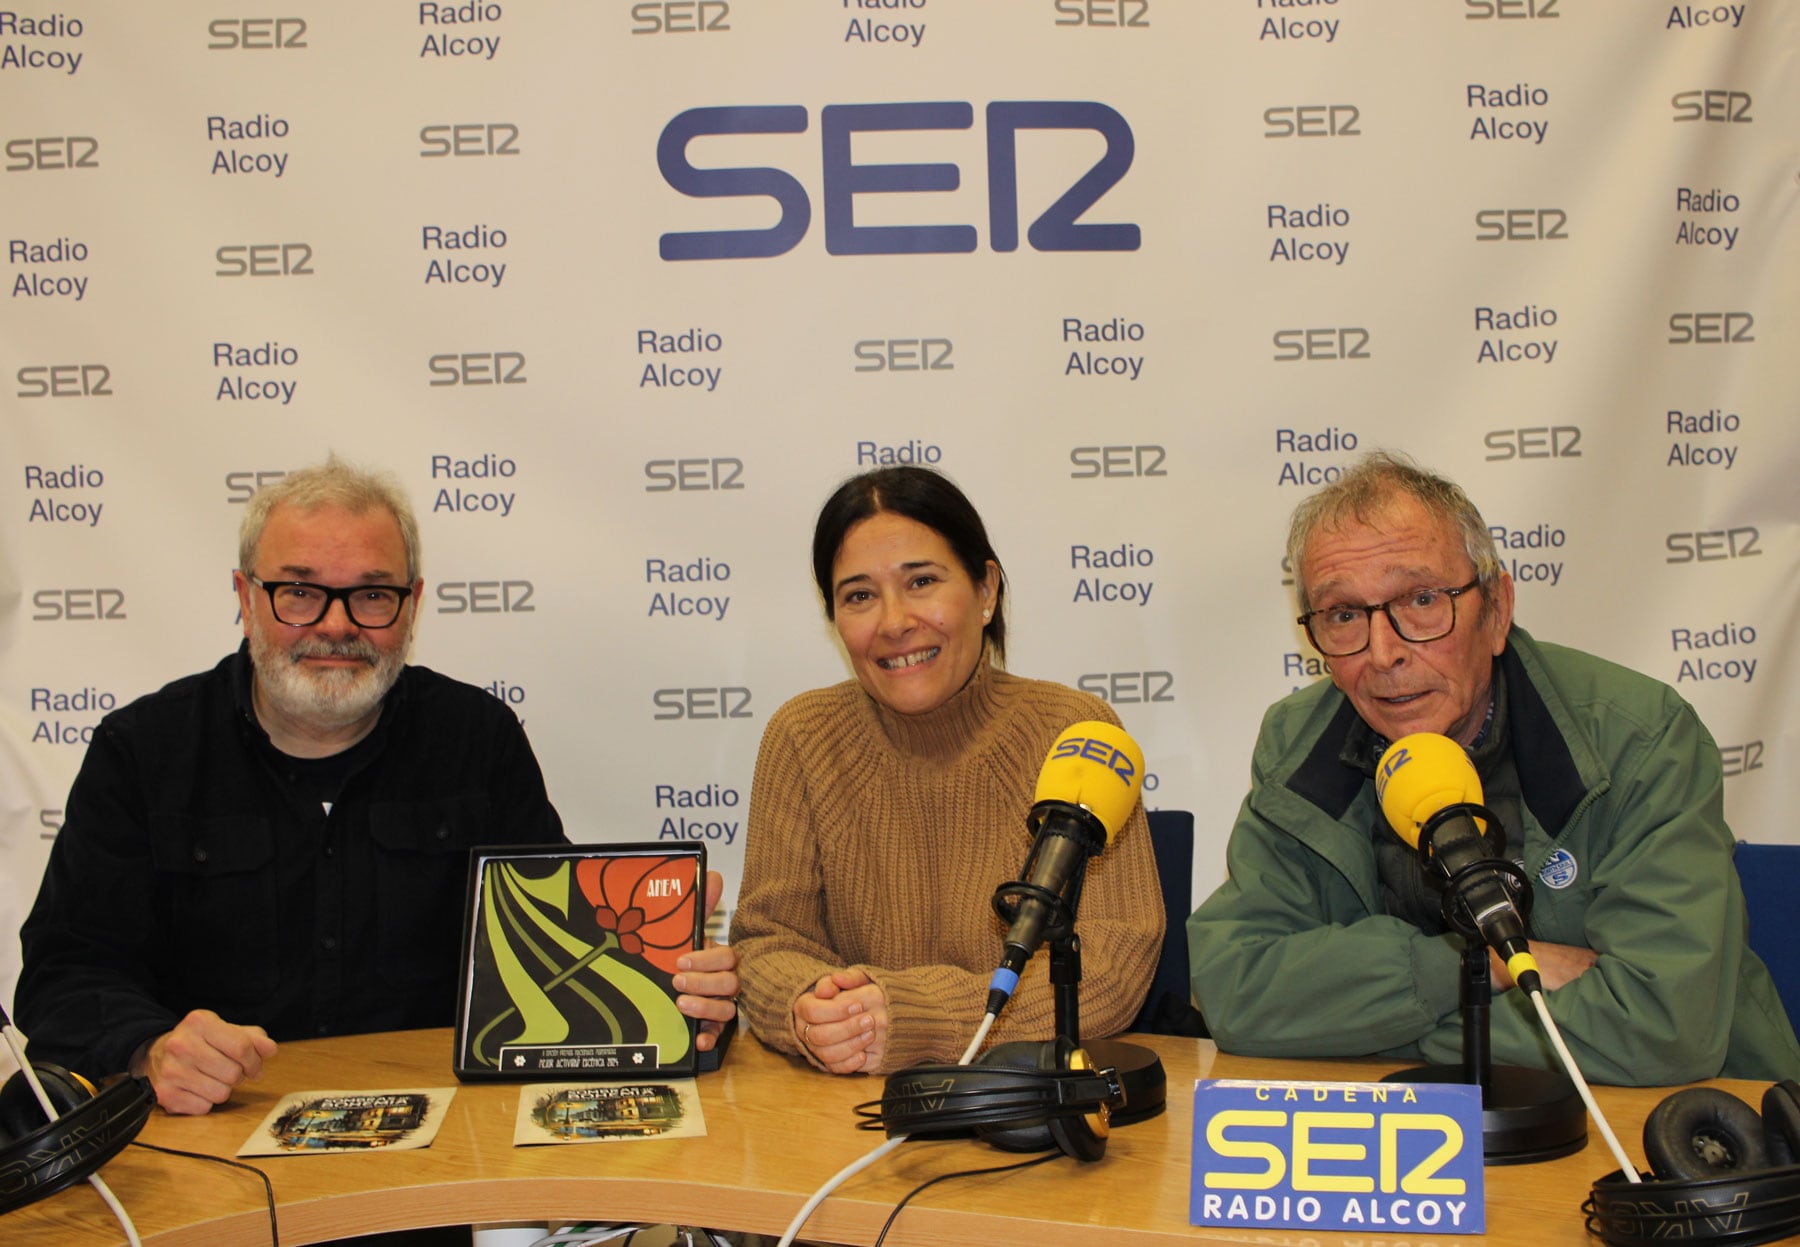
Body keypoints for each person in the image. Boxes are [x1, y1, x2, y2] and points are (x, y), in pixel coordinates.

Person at [15, 456, 738, 1116]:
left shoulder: (477, 740)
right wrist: (150, 1048)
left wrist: (666, 985)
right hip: (212, 1147)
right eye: (298, 592)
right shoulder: (142, 752)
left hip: (441, 1152)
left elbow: (554, 958)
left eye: (371, 595)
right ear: (244, 594)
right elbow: (63, 974)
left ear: (413, 603)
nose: (335, 625)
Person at [1187, 450, 1800, 1085]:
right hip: (1412, 1143)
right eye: (1344, 616)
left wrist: (1356, 1021)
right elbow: (1238, 990)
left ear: (1497, 610)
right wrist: (1485, 967)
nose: (1384, 653)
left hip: (1685, 1127)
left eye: (1422, 600)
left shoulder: (1638, 738)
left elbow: (1663, 1028)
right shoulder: (1298, 744)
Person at [731, 465, 1163, 1076]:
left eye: (922, 582)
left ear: (986, 591)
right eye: (859, 595)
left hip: (1020, 1104)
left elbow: (1114, 966)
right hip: (842, 1111)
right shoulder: (802, 735)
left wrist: (910, 1017)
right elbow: (766, 942)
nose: (893, 621)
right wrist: (813, 1010)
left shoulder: (1075, 730)